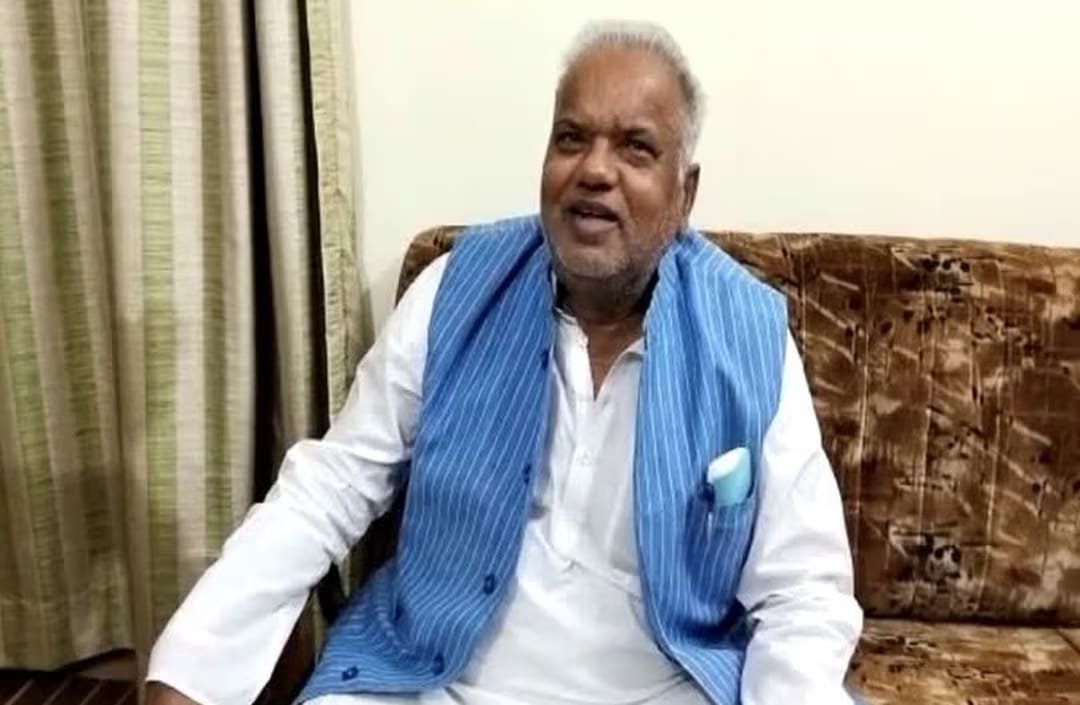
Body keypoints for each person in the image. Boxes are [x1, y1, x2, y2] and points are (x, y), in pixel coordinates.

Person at [147, 20, 862, 705]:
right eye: (571, 138)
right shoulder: (457, 289)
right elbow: (328, 488)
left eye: (636, 148)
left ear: (685, 194)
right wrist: (194, 666)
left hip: (659, 688)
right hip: (434, 678)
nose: (595, 170)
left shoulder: (749, 334)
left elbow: (801, 590)